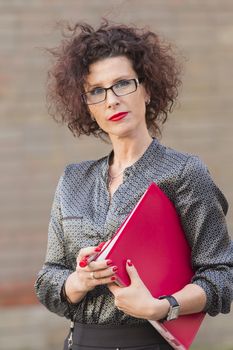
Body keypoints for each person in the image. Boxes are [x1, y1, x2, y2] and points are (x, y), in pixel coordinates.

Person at [35, 20, 233, 350]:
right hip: (80, 342)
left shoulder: (183, 172)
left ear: (147, 88)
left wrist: (163, 306)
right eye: (97, 90)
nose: (111, 99)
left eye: (122, 83)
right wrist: (79, 279)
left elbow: (223, 275)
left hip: (149, 343)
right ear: (86, 104)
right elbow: (47, 280)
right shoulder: (73, 180)